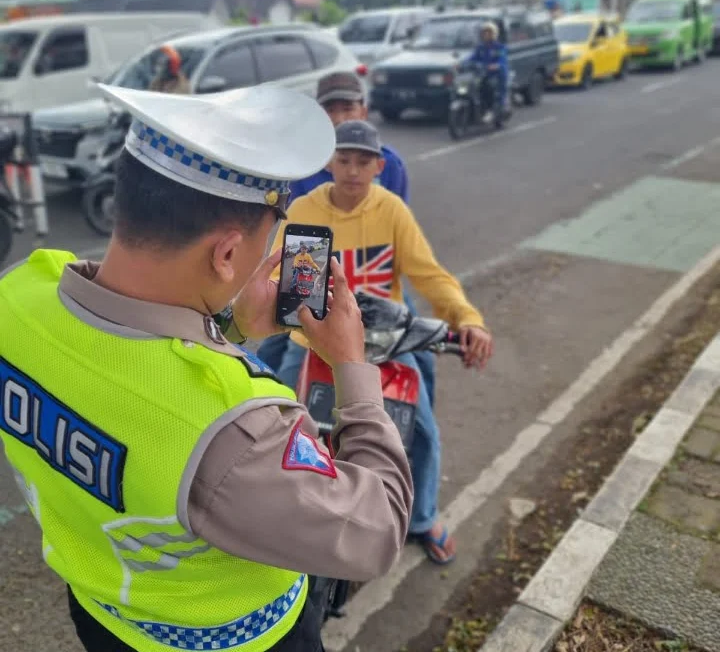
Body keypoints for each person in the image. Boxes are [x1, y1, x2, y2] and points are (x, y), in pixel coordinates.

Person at [0, 85, 413, 652]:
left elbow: (131, 360)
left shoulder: (19, 294)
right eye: (266, 238)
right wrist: (350, 364)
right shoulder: (237, 434)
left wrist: (231, 328)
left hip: (100, 612)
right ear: (225, 254)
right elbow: (377, 528)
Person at [271, 120, 494, 565]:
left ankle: (424, 517)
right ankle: (281, 511)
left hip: (386, 339)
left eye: (363, 162)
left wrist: (469, 319)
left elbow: (427, 274)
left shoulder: (391, 210)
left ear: (379, 166)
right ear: (330, 163)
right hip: (314, 336)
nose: (352, 170)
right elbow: (288, 286)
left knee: (422, 431)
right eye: (344, 160)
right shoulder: (306, 212)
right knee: (277, 419)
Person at [257, 71, 437, 408]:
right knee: (274, 357)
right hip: (312, 279)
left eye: (348, 108)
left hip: (370, 279)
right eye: (331, 109)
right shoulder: (298, 168)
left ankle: (417, 424)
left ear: (364, 111)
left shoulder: (392, 166)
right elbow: (291, 248)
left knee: (421, 356)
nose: (340, 118)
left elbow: (393, 230)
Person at [462, 21, 509, 122]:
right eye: (484, 33)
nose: (486, 35)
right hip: (484, 73)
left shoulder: (499, 47)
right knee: (473, 85)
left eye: (489, 32)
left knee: (488, 87)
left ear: (494, 34)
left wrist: (497, 65)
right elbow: (472, 58)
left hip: (497, 75)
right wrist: (461, 63)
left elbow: (502, 59)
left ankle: (491, 110)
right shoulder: (480, 47)